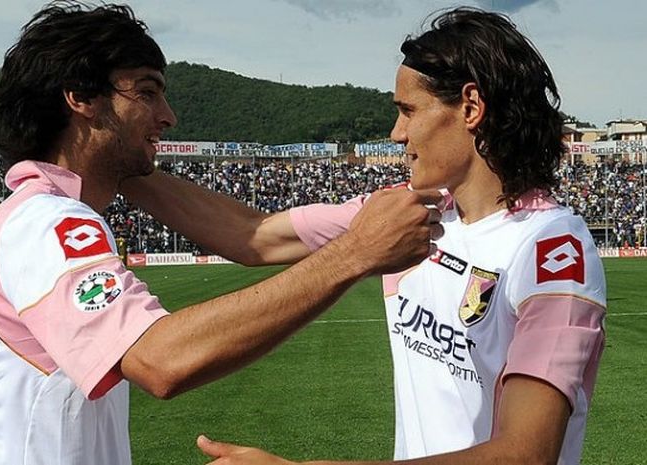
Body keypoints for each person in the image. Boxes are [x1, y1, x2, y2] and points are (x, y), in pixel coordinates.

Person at [0, 3, 443, 464]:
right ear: (79, 97)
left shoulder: (34, 210)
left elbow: (251, 234)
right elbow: (160, 360)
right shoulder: (47, 222)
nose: (168, 115)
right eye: (145, 92)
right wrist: (352, 256)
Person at [121, 7, 606, 465]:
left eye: (408, 110)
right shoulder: (405, 211)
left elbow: (525, 454)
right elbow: (254, 236)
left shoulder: (551, 249)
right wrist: (115, 159)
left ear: (471, 107)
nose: (397, 133)